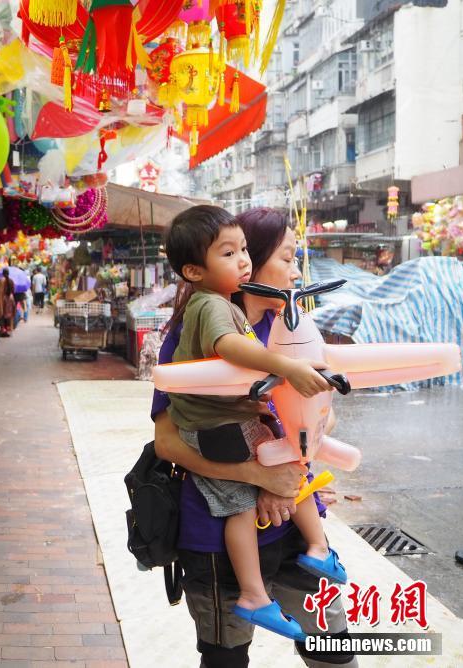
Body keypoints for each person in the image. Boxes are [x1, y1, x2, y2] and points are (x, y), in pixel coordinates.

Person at [153, 207, 358, 668]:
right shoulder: (200, 327)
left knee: (333, 649)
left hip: (296, 531)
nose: (296, 270)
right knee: (228, 659)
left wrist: (291, 465)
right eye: (287, 258)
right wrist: (256, 477)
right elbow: (168, 442)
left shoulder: (294, 327)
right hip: (217, 537)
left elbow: (322, 417)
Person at [0, 268, 15, 337]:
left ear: (3, 273)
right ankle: (7, 329)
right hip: (10, 300)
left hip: (2, 300)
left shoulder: (1, 280)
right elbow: (13, 291)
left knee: (1, 314)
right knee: (8, 315)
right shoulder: (11, 281)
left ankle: (3, 330)